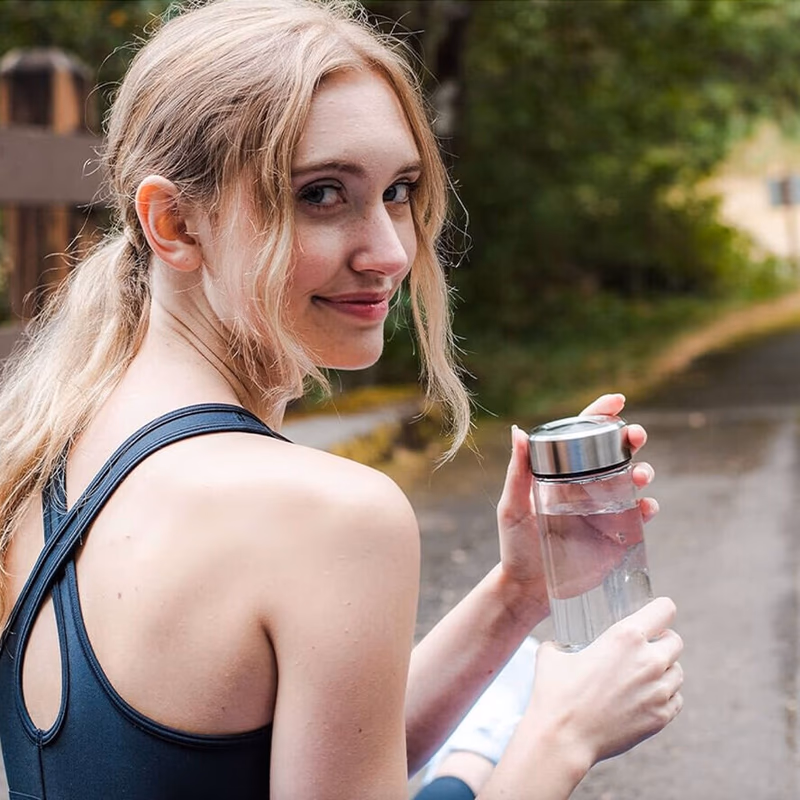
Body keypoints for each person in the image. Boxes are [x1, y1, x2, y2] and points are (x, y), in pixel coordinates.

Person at [0, 1, 683, 798]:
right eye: (321, 194)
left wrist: (515, 597)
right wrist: (562, 735)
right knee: (486, 757)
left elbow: (295, 762)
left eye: (399, 189)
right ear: (176, 223)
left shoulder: (51, 450)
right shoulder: (329, 515)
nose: (391, 251)